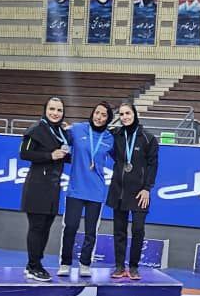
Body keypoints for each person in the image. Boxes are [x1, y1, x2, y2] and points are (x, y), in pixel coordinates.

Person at [58, 102, 114, 277]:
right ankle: (65, 263)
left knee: (91, 231)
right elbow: (61, 138)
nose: (99, 117)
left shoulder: (110, 138)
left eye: (104, 115)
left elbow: (122, 158)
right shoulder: (77, 129)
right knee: (70, 227)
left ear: (108, 119)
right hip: (76, 188)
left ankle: (85, 263)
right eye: (97, 113)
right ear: (92, 113)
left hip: (96, 191)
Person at [19, 96, 71, 282]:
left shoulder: (61, 131)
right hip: (37, 186)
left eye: (59, 110)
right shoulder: (36, 129)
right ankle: (34, 266)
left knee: (46, 227)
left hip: (53, 187)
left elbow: (65, 155)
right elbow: (24, 153)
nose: (55, 113)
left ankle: (34, 264)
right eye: (52, 109)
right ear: (45, 110)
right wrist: (50, 155)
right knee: (37, 227)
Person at [106, 102, 158, 281]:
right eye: (121, 114)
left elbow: (153, 165)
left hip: (139, 192)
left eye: (127, 113)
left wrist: (147, 188)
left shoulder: (148, 138)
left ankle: (134, 266)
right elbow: (97, 132)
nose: (125, 117)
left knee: (138, 229)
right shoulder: (116, 135)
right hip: (119, 190)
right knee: (119, 231)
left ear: (135, 114)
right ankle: (120, 266)